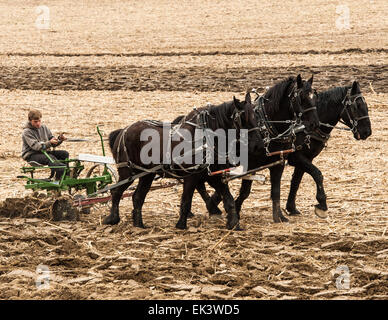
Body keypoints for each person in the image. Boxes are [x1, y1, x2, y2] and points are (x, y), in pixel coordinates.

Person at [21, 109, 69, 180]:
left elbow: (52, 141)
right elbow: (36, 146)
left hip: (44, 152)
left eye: (39, 121)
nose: (38, 123)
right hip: (32, 155)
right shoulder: (26, 132)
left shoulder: (44, 128)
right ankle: (63, 172)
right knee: (51, 158)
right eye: (35, 122)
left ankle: (61, 176)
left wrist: (59, 139)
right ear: (30, 120)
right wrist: (50, 143)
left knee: (64, 154)